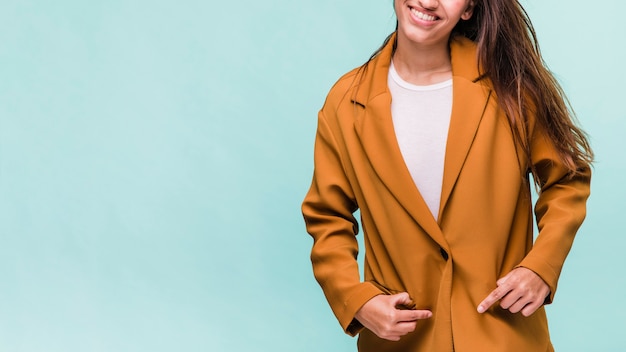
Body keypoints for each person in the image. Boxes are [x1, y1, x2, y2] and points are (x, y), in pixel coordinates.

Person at [301, 0, 593, 351]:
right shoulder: (345, 102)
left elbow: (567, 179)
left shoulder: (509, 85)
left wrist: (541, 266)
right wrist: (355, 299)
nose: (428, 2)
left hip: (503, 336)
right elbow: (327, 216)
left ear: (468, 9)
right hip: (403, 341)